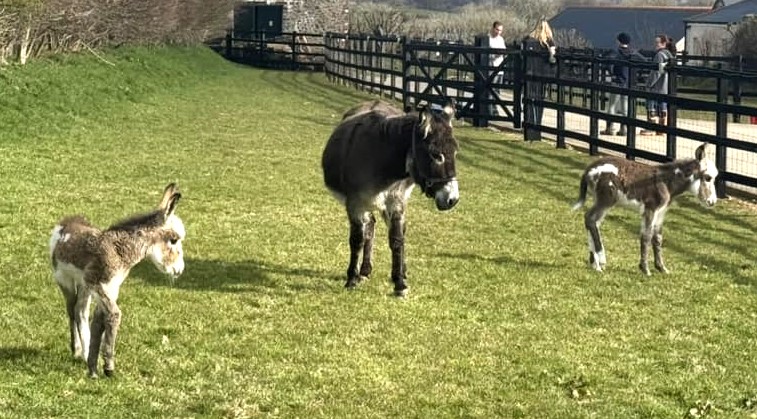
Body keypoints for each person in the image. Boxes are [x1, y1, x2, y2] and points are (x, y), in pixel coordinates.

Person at [601, 32, 645, 136]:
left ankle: (610, 128)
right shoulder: (633, 53)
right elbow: (644, 61)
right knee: (625, 107)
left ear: (619, 41)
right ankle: (624, 128)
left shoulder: (615, 52)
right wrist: (635, 72)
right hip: (628, 83)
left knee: (612, 106)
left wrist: (612, 74)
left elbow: (607, 63)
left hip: (617, 82)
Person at [521, 19, 556, 141]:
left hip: (529, 73)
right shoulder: (549, 42)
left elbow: (522, 55)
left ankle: (529, 124)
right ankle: (537, 126)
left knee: (529, 99)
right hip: (543, 74)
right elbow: (553, 58)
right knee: (539, 100)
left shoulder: (527, 40)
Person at [640, 33, 675, 136]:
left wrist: (649, 84)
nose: (655, 44)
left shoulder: (659, 55)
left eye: (657, 42)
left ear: (663, 43)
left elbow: (657, 72)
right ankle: (661, 129)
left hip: (657, 86)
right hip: (665, 86)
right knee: (662, 107)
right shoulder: (670, 55)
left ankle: (651, 128)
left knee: (651, 106)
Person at [487, 21, 506, 116]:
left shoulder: (501, 39)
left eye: (500, 30)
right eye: (497, 29)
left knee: (497, 90)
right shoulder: (488, 39)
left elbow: (504, 50)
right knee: (491, 90)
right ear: (493, 28)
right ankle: (490, 111)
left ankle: (495, 110)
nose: (498, 32)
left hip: (500, 67)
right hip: (492, 66)